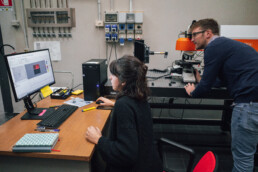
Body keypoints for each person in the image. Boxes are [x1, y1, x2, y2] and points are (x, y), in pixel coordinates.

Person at [184, 18, 258, 172]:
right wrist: (204, 80)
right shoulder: (228, 45)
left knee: (243, 160)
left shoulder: (214, 47)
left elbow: (204, 88)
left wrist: (193, 92)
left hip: (248, 105)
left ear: (208, 33)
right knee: (249, 155)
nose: (192, 40)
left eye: (194, 35)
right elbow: (223, 79)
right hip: (253, 102)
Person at [85, 55, 163, 172]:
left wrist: (99, 139)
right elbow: (134, 114)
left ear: (124, 81)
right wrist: (115, 104)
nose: (110, 78)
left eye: (114, 75)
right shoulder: (140, 96)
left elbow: (125, 155)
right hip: (149, 163)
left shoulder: (124, 105)